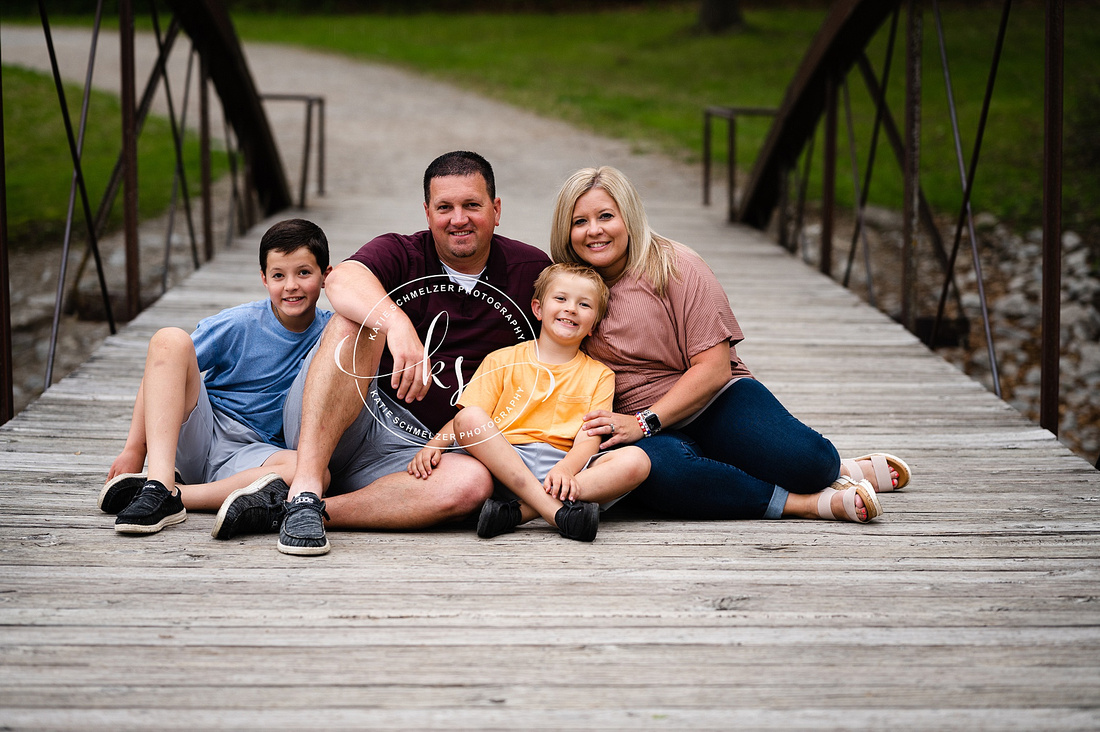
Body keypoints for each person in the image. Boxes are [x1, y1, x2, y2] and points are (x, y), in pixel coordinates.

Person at [214, 151, 552, 555]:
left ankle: (297, 512)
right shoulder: (401, 252)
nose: (457, 219)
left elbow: (568, 330)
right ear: (427, 213)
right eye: (444, 207)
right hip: (349, 416)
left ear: (496, 210)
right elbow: (341, 280)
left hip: (417, 452)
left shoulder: (529, 269)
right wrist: (395, 322)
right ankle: (304, 486)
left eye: (472, 206)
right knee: (355, 322)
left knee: (471, 483)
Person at [549, 166, 913, 524]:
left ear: (628, 217)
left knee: (811, 463)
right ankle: (807, 504)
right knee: (664, 476)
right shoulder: (566, 288)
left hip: (712, 401)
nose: (594, 231)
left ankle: (840, 470)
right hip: (634, 424)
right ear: (566, 230)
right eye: (580, 222)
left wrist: (645, 422)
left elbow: (714, 367)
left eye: (606, 216)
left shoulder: (676, 266)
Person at [100, 218, 333, 534]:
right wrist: (133, 449)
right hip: (203, 430)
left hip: (253, 453)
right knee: (169, 340)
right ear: (264, 279)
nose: (290, 285)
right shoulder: (240, 324)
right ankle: (158, 480)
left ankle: (169, 494)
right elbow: (160, 373)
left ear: (325, 276)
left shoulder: (332, 331)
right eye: (279, 275)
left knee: (314, 472)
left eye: (303, 273)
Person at [407, 262, 651, 542]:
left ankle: (517, 513)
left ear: (594, 326)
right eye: (560, 298)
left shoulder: (600, 375)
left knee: (637, 461)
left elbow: (588, 439)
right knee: (472, 417)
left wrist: (565, 469)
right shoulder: (502, 360)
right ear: (537, 309)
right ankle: (559, 514)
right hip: (505, 464)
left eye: (584, 305)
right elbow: (466, 417)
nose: (571, 308)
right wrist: (433, 445)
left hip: (563, 468)